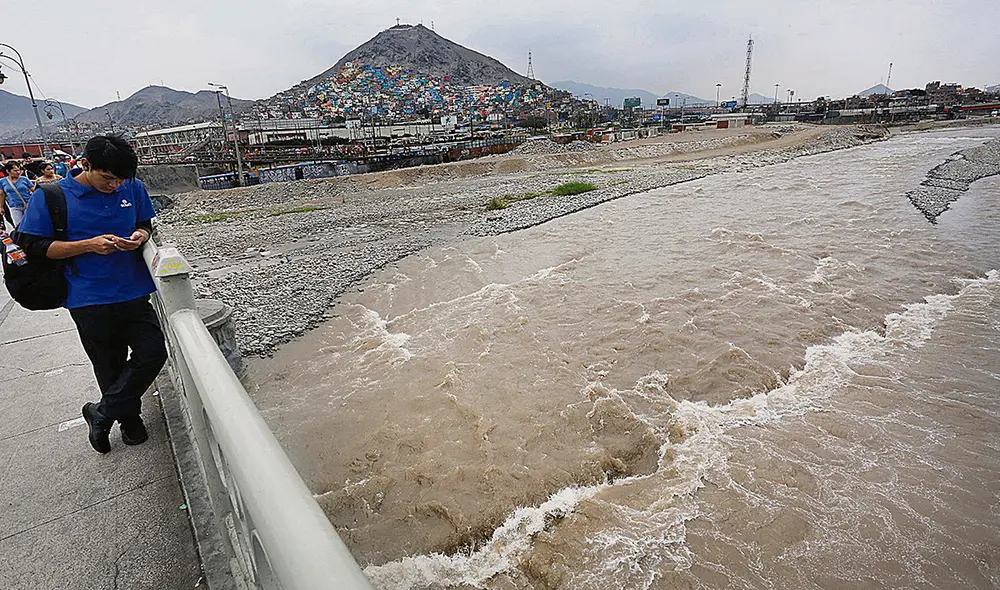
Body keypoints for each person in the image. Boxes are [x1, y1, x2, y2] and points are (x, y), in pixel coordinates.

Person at [17, 135, 167, 454]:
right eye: (107, 178)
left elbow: (144, 223)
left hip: (133, 289)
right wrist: (88, 245)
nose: (114, 186)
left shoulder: (132, 186)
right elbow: (35, 246)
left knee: (153, 352)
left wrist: (139, 236)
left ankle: (101, 413)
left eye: (120, 180)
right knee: (108, 362)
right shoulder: (52, 196)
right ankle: (130, 422)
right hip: (87, 295)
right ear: (85, 165)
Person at [1, 161, 36, 229]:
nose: (18, 172)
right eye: (15, 170)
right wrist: (1, 207)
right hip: (14, 206)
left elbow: (34, 190)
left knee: (31, 224)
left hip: (28, 205)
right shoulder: (2, 181)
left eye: (19, 170)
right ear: (8, 171)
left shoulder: (24, 179)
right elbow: (1, 194)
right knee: (19, 226)